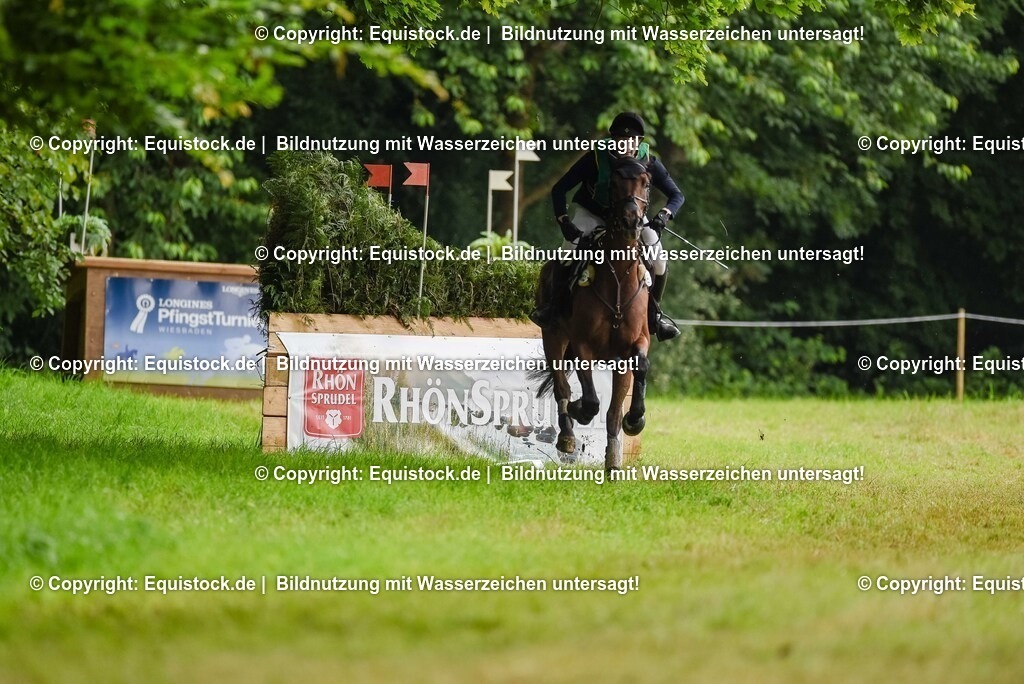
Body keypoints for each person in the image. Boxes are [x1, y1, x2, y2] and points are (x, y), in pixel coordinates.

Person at [530, 111, 683, 341]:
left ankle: (655, 315)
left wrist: (663, 215)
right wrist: (564, 221)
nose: (625, 145)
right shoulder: (595, 158)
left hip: (630, 220)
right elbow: (559, 189)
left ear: (639, 142)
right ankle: (553, 307)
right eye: (620, 140)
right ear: (612, 140)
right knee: (567, 253)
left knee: (659, 260)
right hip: (593, 213)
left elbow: (676, 195)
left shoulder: (649, 162)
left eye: (631, 141)